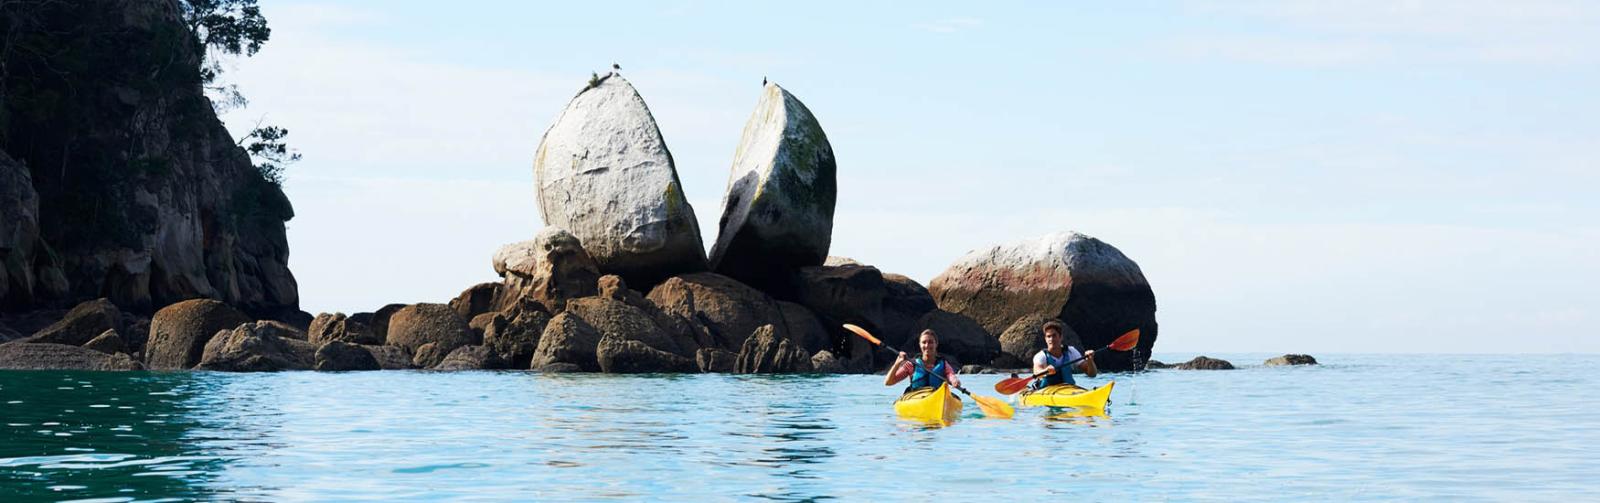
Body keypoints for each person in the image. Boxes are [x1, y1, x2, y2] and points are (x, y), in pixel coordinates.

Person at [884, 329, 961, 391]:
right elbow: (888, 382)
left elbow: (950, 375)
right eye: (924, 342)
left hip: (937, 397)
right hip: (917, 398)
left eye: (930, 342)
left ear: (936, 344)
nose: (927, 345)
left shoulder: (943, 364)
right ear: (920, 345)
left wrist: (954, 381)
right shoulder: (911, 364)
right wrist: (897, 364)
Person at [1033, 320, 1096, 390]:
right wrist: (1046, 371)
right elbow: (1036, 372)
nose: (1051, 339)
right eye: (1048, 336)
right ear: (1045, 339)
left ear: (1060, 337)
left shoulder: (1071, 351)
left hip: (1069, 389)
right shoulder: (1041, 356)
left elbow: (1092, 374)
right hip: (1047, 391)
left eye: (1054, 335)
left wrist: (1090, 361)